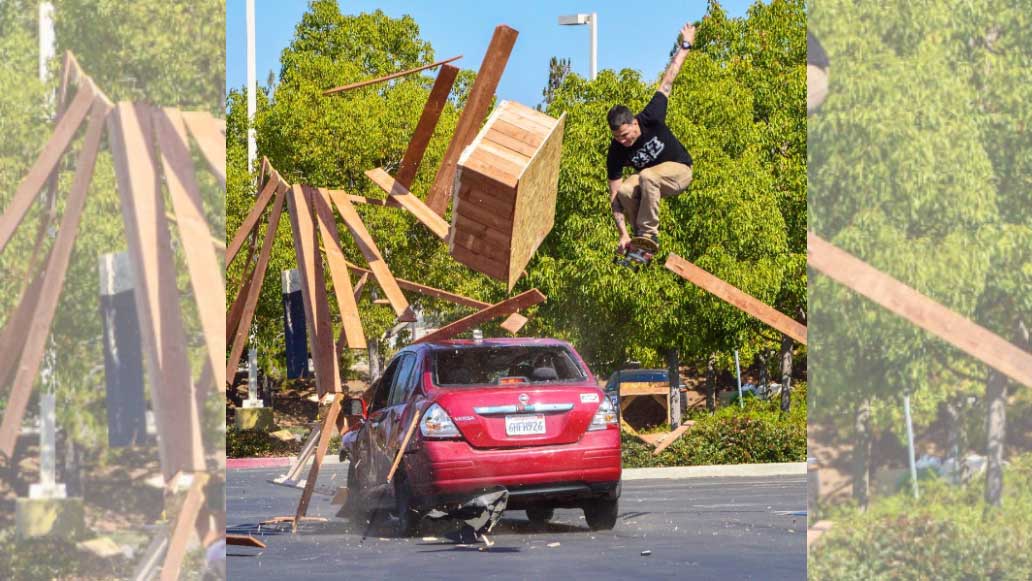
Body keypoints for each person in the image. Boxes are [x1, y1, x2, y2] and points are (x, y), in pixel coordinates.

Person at [607, 22, 696, 253]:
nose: (623, 142)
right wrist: (623, 234)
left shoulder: (651, 116)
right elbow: (615, 197)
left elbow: (668, 80)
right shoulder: (616, 150)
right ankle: (639, 242)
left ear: (634, 123)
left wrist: (685, 45)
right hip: (652, 182)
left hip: (679, 172)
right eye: (618, 138)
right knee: (626, 190)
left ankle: (648, 234)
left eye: (625, 136)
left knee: (647, 175)